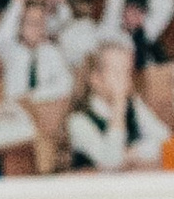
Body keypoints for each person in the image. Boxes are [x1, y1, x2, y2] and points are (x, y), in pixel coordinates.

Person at [66, 35, 162, 171]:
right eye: (117, 73)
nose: (124, 79)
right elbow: (111, 163)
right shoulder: (78, 121)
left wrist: (132, 152)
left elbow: (165, 140)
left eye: (127, 72)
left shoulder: (133, 105)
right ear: (96, 79)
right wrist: (118, 105)